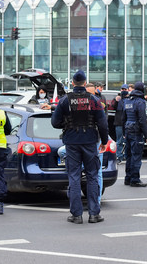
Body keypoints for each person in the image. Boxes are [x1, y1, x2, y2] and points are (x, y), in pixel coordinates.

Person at [51, 70, 108, 224]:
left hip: (71, 142)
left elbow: (55, 123)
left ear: (73, 83)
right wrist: (104, 141)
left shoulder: (64, 100)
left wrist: (68, 124)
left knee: (74, 177)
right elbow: (102, 124)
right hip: (90, 141)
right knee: (92, 176)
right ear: (84, 82)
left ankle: (76, 215)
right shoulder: (94, 100)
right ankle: (94, 214)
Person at [122, 81, 147, 187]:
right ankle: (135, 179)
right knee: (136, 156)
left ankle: (127, 178)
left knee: (129, 156)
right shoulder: (140, 102)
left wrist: (124, 132)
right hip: (136, 132)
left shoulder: (127, 101)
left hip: (128, 130)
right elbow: (142, 120)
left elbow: (123, 118)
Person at [111, 84, 129, 164]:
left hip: (128, 123)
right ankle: (119, 156)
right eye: (122, 89)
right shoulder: (118, 99)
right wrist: (116, 100)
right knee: (119, 141)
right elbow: (112, 107)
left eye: (125, 89)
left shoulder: (129, 99)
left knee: (128, 141)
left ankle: (127, 156)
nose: (123, 91)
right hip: (119, 123)